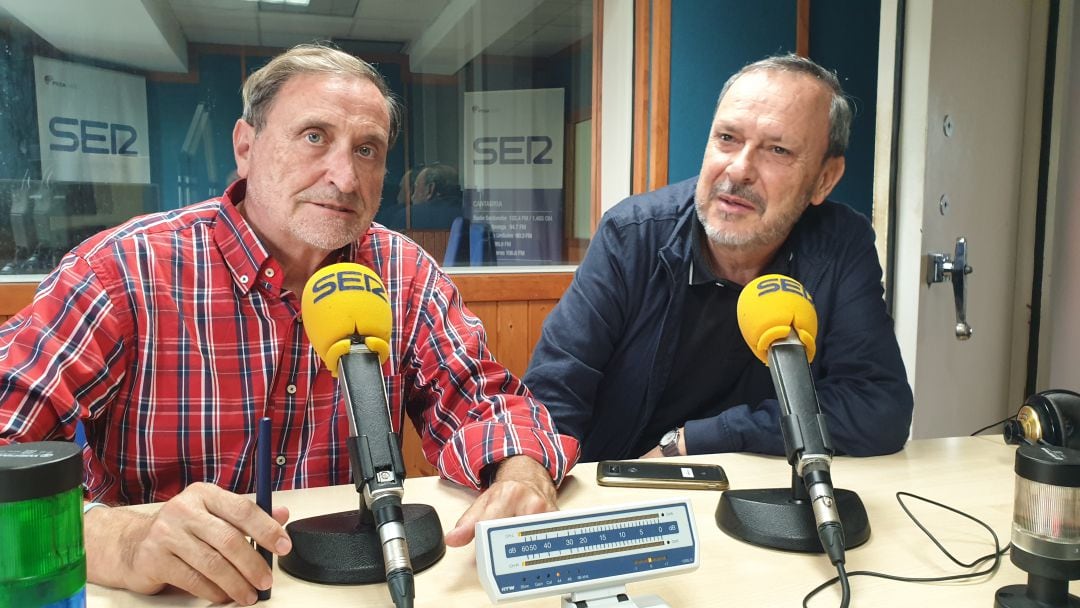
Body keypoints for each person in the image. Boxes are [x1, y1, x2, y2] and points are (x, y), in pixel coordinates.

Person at [0, 44, 579, 605]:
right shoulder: (124, 269)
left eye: (368, 150)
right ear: (246, 147)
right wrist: (117, 540)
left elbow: (486, 401)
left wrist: (521, 470)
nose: (345, 178)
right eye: (314, 137)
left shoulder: (403, 273)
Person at [524, 54, 913, 463]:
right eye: (727, 138)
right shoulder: (632, 234)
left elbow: (878, 407)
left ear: (824, 179)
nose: (739, 169)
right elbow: (552, 398)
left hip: (761, 494)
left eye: (777, 150)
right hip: (624, 489)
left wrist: (701, 439)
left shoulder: (840, 246)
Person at [408, 163, 464, 229]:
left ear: (430, 189)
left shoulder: (408, 217)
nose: (412, 197)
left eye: (416, 187)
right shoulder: (472, 215)